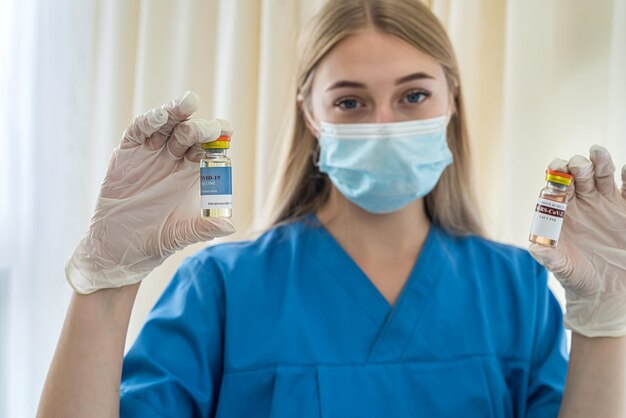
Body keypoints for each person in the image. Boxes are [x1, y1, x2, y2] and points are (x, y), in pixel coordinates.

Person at [38, 0, 626, 417]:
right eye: (350, 101)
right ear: (310, 115)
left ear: (453, 100)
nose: (384, 124)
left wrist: (605, 327)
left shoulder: (515, 289)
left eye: (414, 95)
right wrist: (104, 284)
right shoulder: (222, 288)